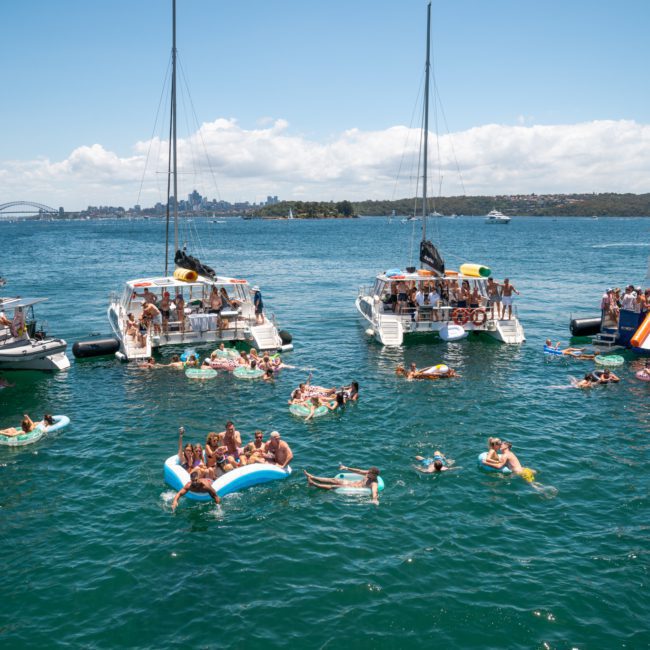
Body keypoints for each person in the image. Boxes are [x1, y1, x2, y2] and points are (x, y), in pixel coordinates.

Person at [304, 465, 381, 504]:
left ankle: (313, 484)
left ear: (374, 475)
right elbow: (359, 471)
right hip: (351, 483)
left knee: (333, 487)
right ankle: (312, 477)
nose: (367, 473)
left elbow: (374, 493)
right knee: (333, 480)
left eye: (369, 473)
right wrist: (346, 468)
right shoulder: (369, 473)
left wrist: (375, 500)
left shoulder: (374, 483)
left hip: (352, 488)